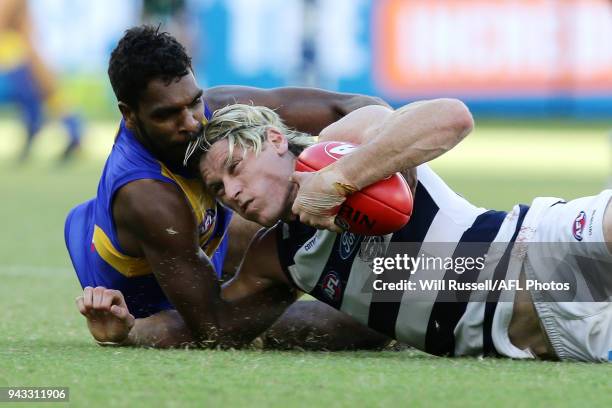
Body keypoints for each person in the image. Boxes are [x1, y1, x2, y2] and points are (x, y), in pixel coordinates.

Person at [80, 100, 611, 361]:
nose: (232, 193)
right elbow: (215, 327)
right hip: (553, 341)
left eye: (235, 169)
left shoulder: (339, 145)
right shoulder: (277, 257)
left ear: (271, 139)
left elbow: (452, 118)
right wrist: (127, 333)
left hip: (548, 248)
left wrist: (336, 182)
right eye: (218, 189)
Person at [66, 25, 390, 348]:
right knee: (373, 320)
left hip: (201, 241)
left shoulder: (215, 109)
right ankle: (134, 333)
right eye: (167, 114)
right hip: (153, 300)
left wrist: (390, 164)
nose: (192, 122)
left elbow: (358, 105)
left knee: (283, 192)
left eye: (193, 102)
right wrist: (295, 269)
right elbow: (214, 328)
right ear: (129, 115)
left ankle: (406, 271)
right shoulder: (147, 194)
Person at [0, 0, 82, 161]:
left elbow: (6, 21)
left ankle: (70, 130)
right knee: (41, 91)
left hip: (20, 57)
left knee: (41, 90)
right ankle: (66, 130)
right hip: (21, 55)